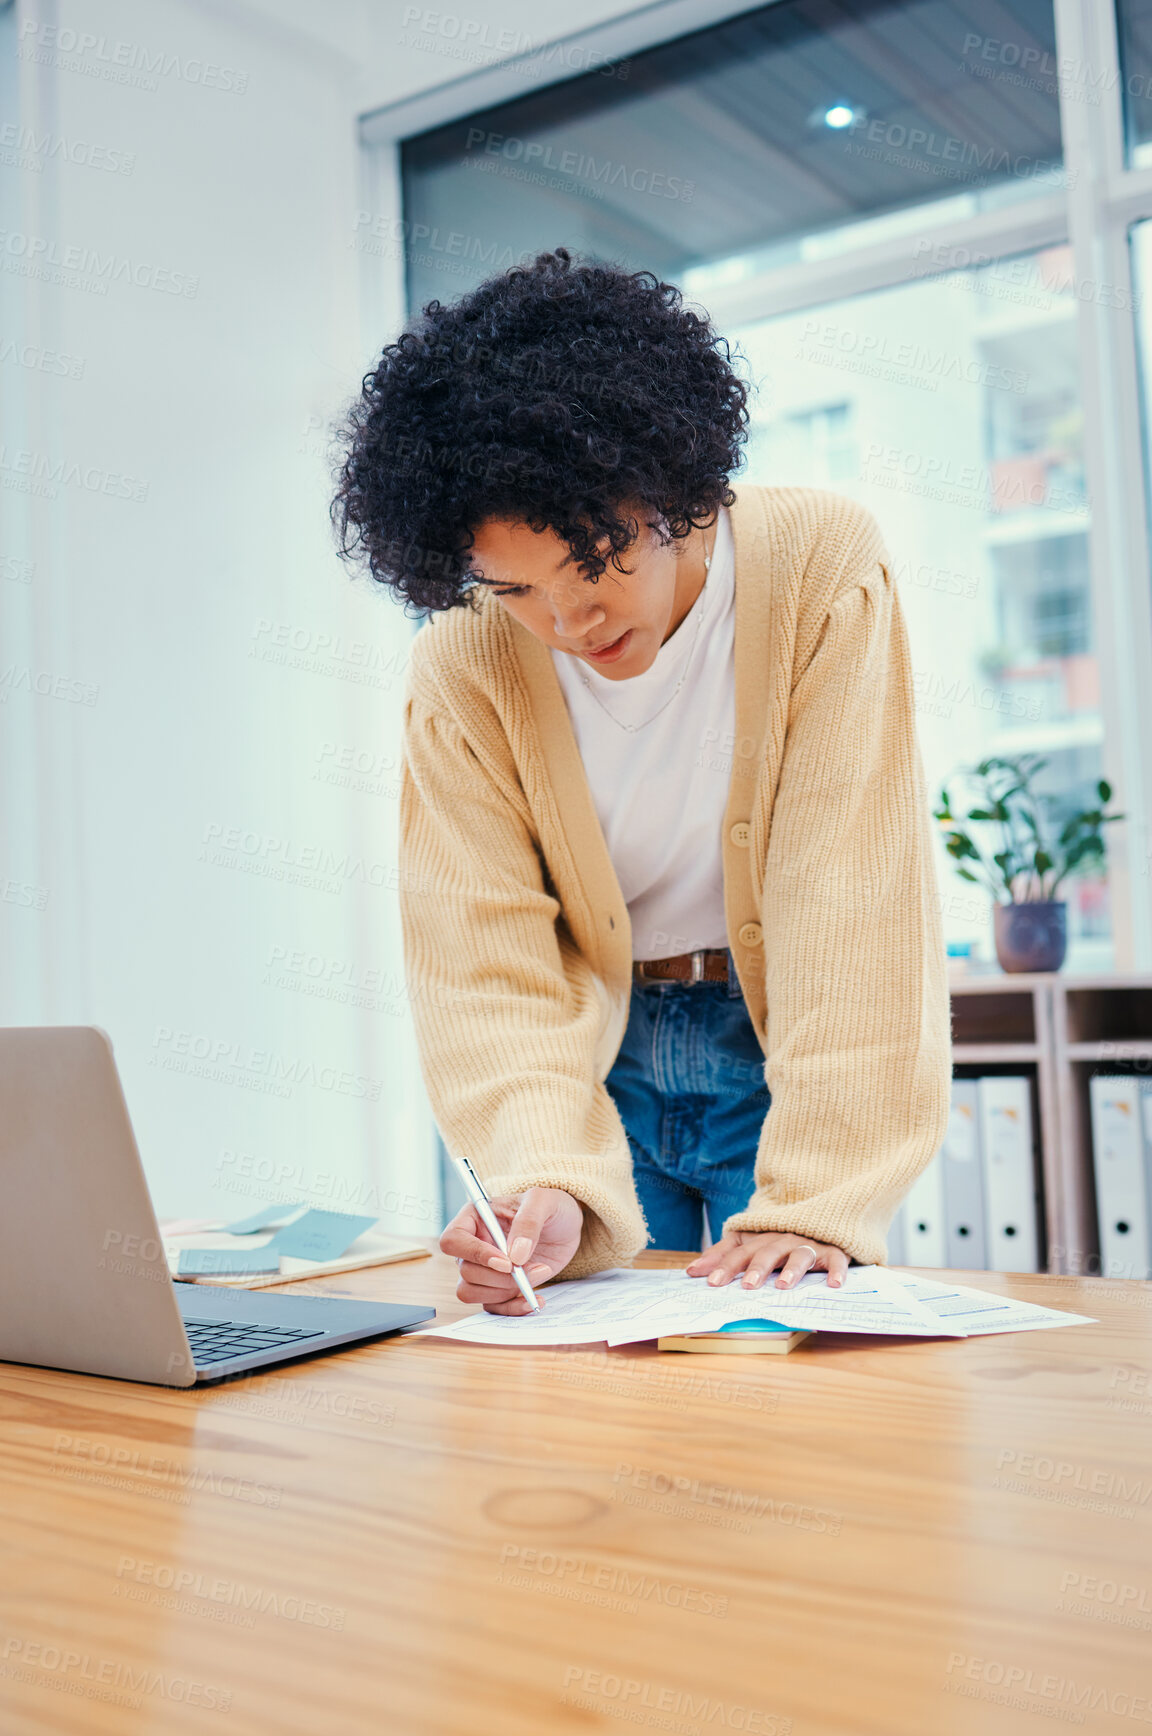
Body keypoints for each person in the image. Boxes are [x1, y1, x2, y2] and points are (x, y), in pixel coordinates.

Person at [332, 247, 952, 1315]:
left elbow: (850, 893)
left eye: (596, 559)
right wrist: (544, 1178)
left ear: (671, 486)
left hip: (780, 1048)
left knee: (797, 1386)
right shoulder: (463, 665)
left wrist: (819, 1193)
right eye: (517, 587)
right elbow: (484, 958)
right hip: (596, 1066)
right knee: (606, 1408)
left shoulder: (817, 566)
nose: (571, 621)